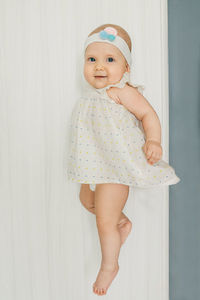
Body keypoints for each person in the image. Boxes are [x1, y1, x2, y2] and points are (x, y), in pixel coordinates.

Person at [67, 23, 181, 295]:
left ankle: (110, 265)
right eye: (91, 59)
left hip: (115, 168)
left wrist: (153, 140)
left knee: (102, 221)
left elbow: (148, 115)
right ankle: (121, 222)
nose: (99, 67)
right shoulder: (91, 97)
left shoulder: (122, 91)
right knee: (86, 201)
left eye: (110, 60)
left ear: (126, 67)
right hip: (94, 166)